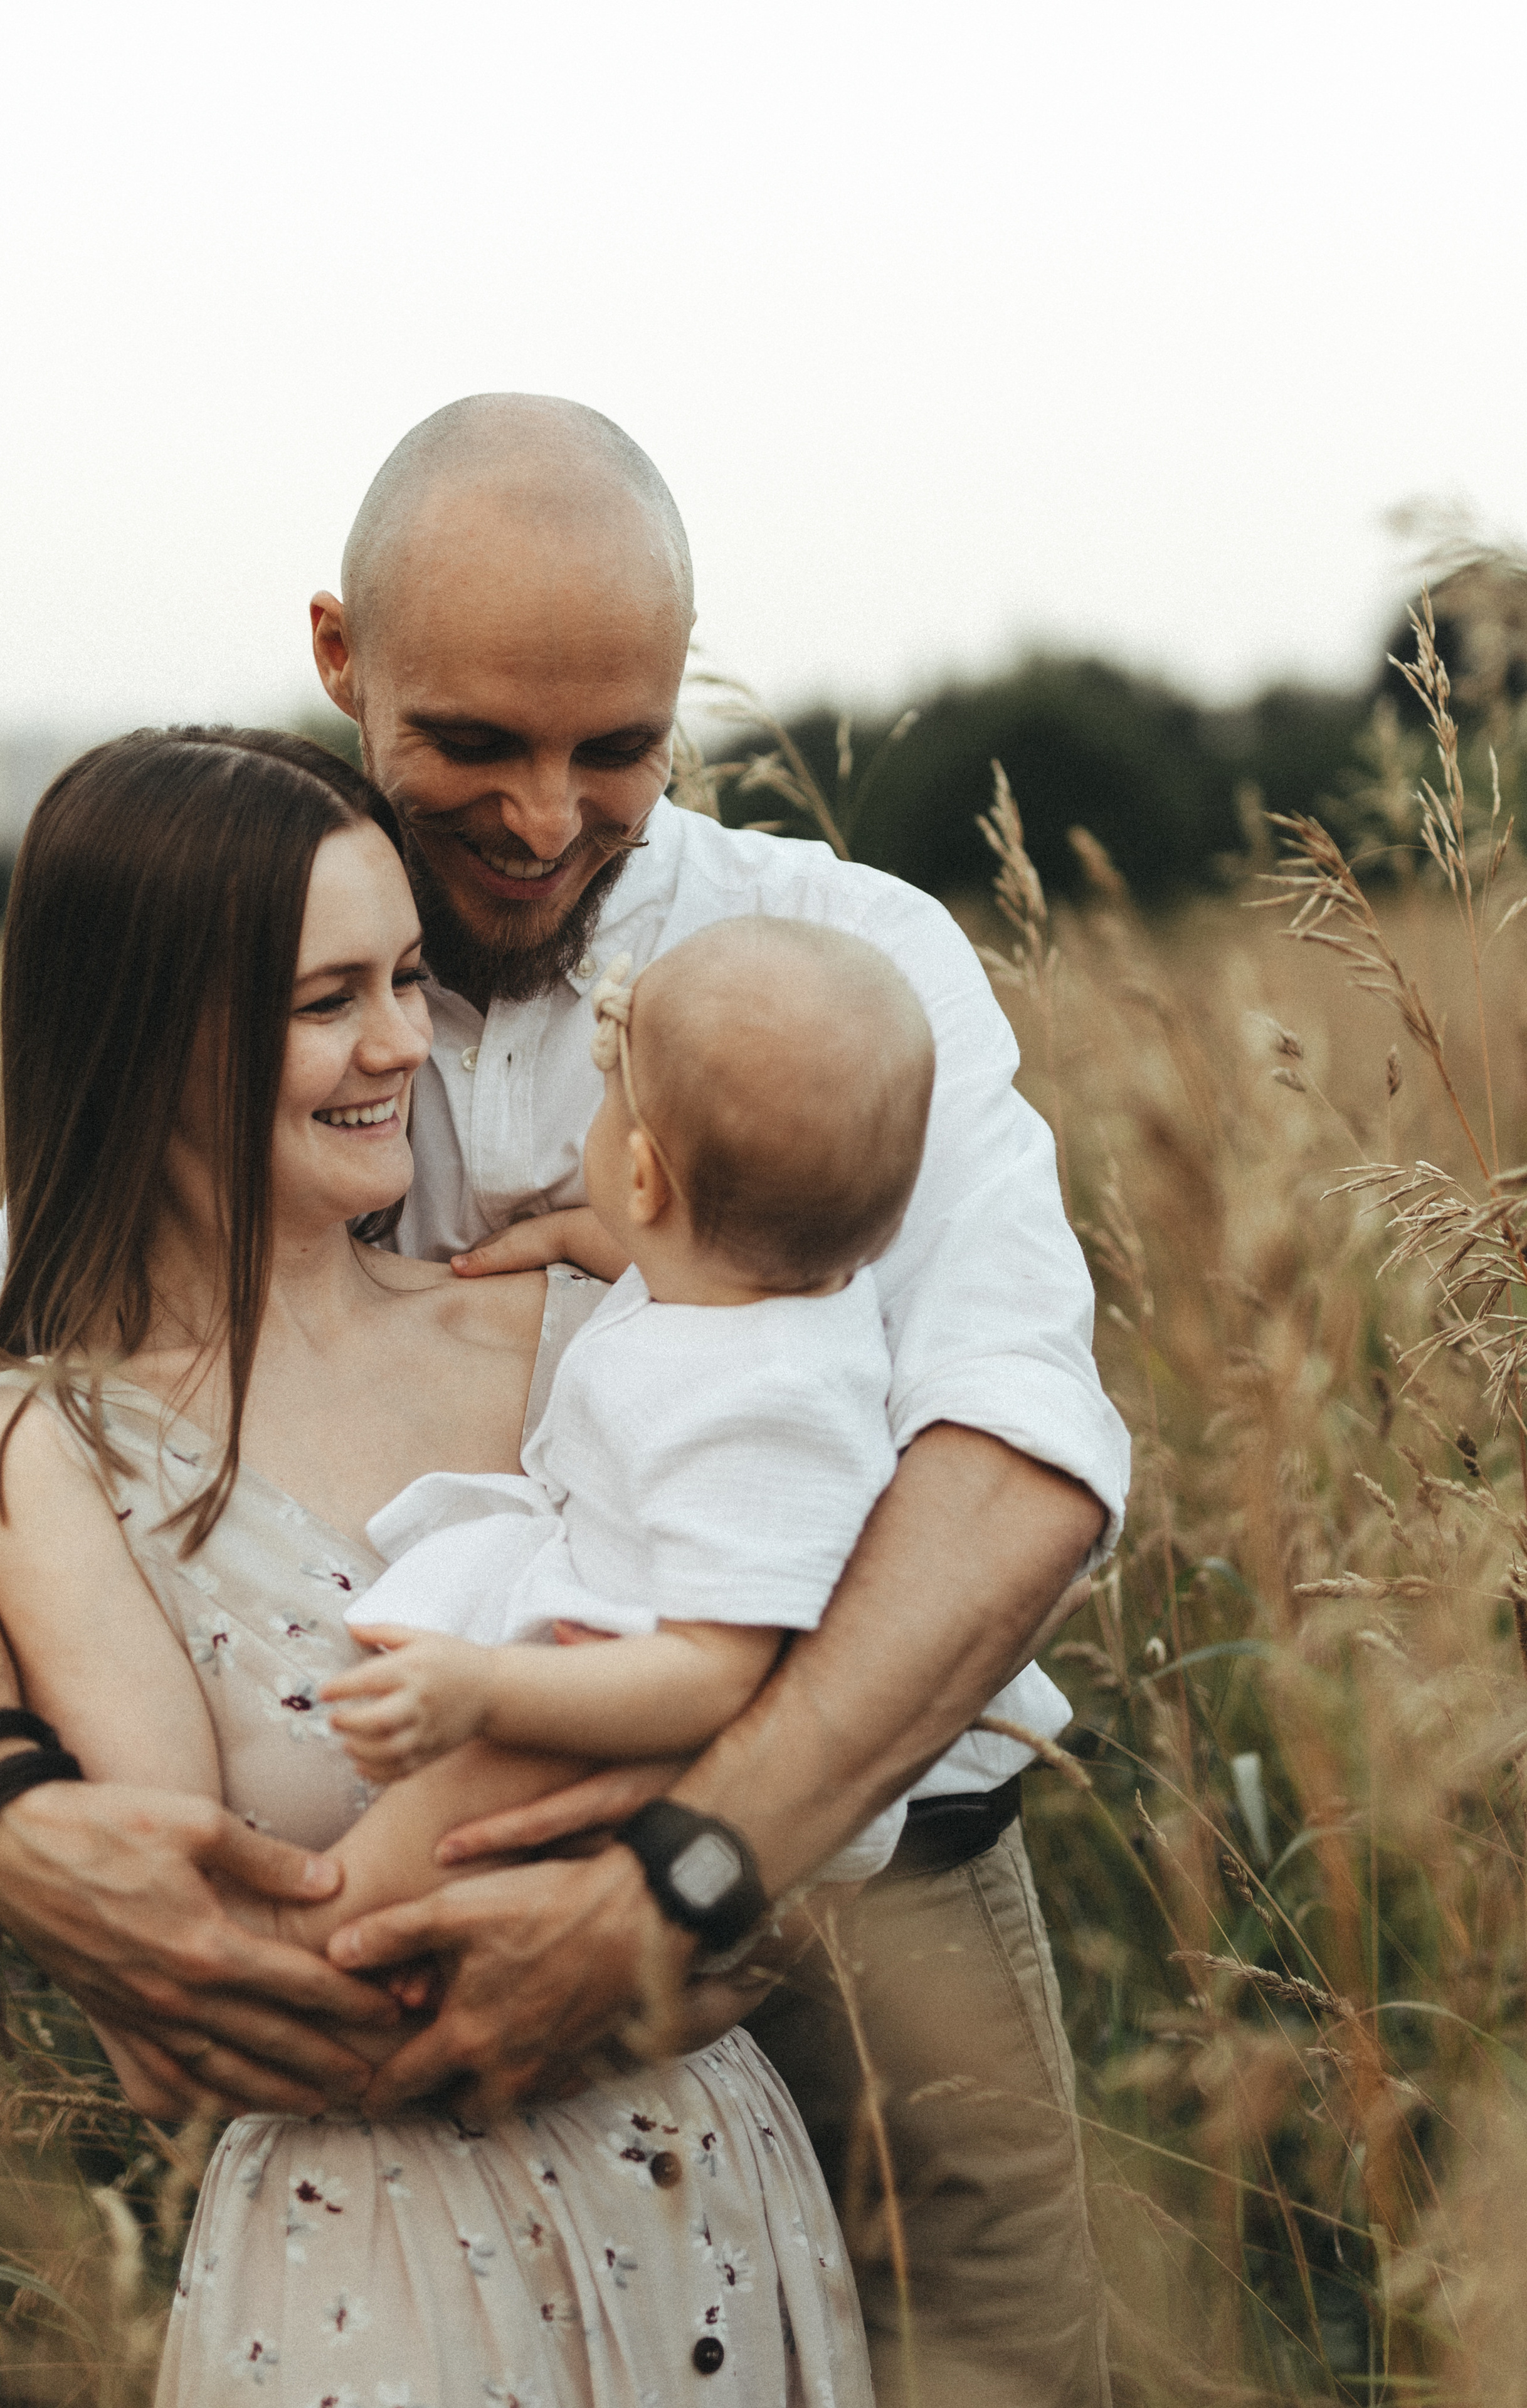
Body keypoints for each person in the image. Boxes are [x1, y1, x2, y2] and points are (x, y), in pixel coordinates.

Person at [0, 396, 1130, 2407]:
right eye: (474, 749)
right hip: (392, 1962)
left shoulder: (853, 961)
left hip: (879, 1887)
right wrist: (16, 1813)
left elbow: (1015, 1463)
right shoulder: (234, 948)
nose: (542, 819)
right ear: (345, 658)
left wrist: (690, 1871)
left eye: (616, 748)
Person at [0, 726, 876, 2406]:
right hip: (364, 2257)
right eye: (330, 1000)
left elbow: (828, 1742)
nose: (406, 1042)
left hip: (699, 2192)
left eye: (409, 977)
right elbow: (185, 1980)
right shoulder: (58, 1451)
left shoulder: (585, 1335)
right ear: (147, 1032)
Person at [334, 920, 961, 1896]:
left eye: (604, 1109)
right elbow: (670, 1255)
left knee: (465, 1791)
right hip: (618, 1628)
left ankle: (324, 1926)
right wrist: (577, 1238)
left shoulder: (768, 1407)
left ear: (640, 1177)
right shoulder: (764, 1281)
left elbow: (719, 1669)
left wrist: (491, 1691)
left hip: (660, 1702)